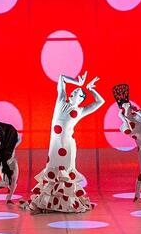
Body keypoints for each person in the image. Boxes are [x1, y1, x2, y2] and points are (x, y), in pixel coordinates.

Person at [26, 72, 104, 214]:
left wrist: (91, 89)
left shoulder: (80, 110)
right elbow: (61, 78)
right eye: (73, 90)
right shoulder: (61, 101)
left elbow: (100, 102)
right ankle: (48, 203)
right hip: (55, 145)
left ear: (80, 98)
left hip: (68, 145)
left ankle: (67, 202)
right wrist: (77, 83)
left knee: (66, 172)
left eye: (77, 92)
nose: (73, 92)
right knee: (52, 169)